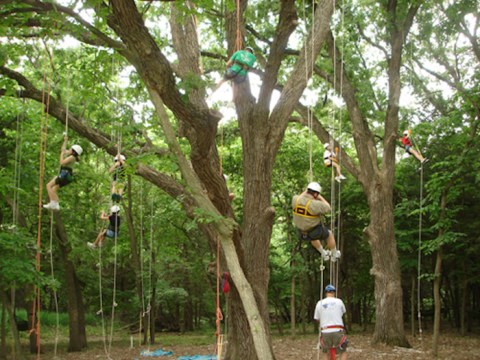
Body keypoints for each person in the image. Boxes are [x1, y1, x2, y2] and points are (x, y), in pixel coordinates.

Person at [292, 182, 341, 261]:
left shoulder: (295, 199)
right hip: (313, 231)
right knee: (329, 234)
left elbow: (300, 196)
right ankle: (335, 254)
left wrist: (307, 191)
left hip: (300, 233)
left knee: (313, 238)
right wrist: (320, 197)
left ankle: (323, 253)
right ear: (315, 194)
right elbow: (328, 208)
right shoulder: (314, 204)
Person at [43, 135, 83, 211]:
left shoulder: (72, 157)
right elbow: (63, 150)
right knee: (54, 188)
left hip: (64, 175)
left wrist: (61, 154)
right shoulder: (73, 156)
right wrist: (65, 141)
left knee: (48, 186)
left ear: (73, 151)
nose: (69, 149)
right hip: (66, 176)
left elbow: (62, 162)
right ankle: (55, 203)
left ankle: (53, 203)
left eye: (71, 149)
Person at [314, 284, 348, 360]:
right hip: (338, 330)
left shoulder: (320, 303)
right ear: (334, 292)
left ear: (326, 293)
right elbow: (342, 313)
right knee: (343, 350)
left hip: (325, 330)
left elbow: (317, 318)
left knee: (325, 352)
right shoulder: (339, 301)